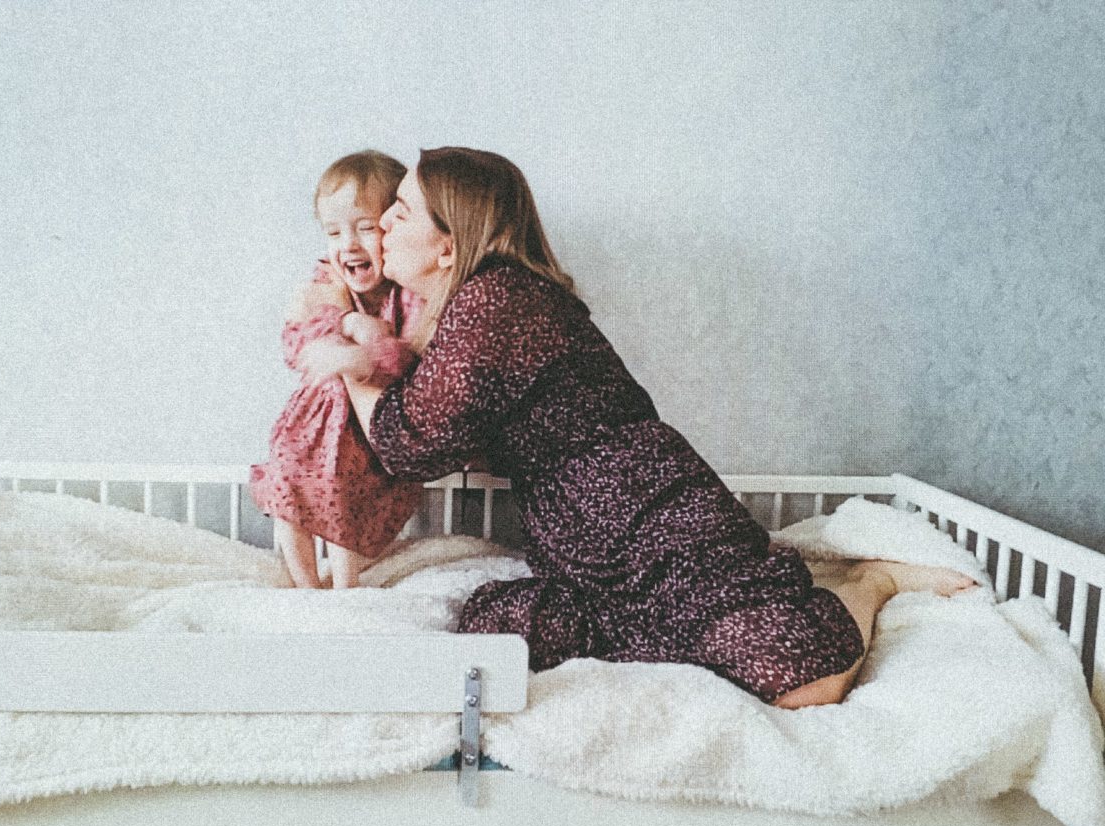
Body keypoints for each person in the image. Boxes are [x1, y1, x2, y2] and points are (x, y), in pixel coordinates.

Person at [341, 147, 975, 707]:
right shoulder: (467, 309)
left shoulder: (495, 298)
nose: (384, 223)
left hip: (654, 517)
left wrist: (345, 361)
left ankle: (870, 581)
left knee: (799, 679)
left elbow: (407, 446)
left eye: (401, 210)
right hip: (585, 554)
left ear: (449, 245)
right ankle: (743, 610)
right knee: (499, 629)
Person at [250, 150, 423, 590]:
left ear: (394, 227)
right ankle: (306, 589)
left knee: (342, 498)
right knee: (287, 490)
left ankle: (346, 589)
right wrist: (346, 322)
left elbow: (411, 357)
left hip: (363, 436)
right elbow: (297, 341)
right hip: (310, 427)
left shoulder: (408, 292)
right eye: (333, 231)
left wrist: (368, 353)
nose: (348, 243)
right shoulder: (327, 283)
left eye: (366, 227)